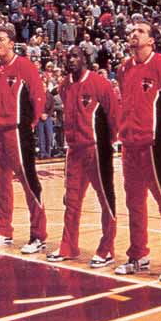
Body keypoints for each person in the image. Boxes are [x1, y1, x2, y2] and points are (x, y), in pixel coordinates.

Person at [115, 20, 161, 281]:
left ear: (151, 41)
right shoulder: (124, 68)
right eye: (132, 31)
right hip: (130, 146)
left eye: (140, 31)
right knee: (134, 203)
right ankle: (138, 255)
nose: (134, 34)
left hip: (154, 145)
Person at [46, 46, 120, 265]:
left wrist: (109, 143)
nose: (70, 60)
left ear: (85, 59)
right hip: (73, 151)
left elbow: (114, 115)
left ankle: (107, 249)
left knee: (105, 199)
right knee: (72, 201)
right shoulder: (64, 86)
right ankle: (68, 247)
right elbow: (50, 102)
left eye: (75, 56)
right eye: (68, 56)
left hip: (96, 149)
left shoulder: (100, 83)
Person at [0, 24, 48, 251]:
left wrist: (29, 123)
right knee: (0, 183)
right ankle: (2, 231)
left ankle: (38, 235)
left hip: (17, 132)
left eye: (0, 39)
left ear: (11, 43)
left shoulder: (24, 66)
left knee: (29, 182)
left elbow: (39, 96)